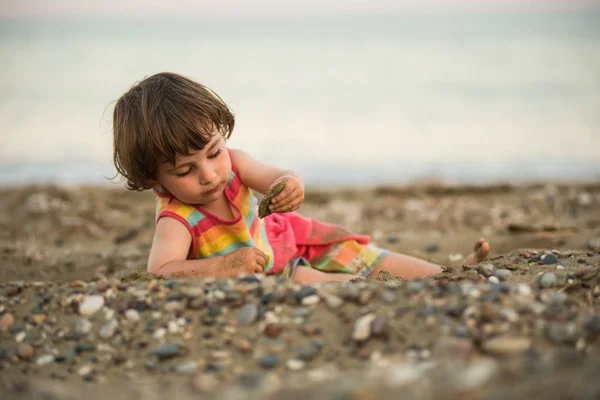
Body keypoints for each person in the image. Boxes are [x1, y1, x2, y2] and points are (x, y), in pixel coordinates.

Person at [111, 72, 490, 283]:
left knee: (364, 254)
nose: (209, 174)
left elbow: (278, 176)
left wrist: (291, 184)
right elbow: (159, 273)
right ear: (154, 179)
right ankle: (376, 291)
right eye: (184, 170)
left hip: (293, 240)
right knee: (306, 281)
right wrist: (223, 267)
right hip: (275, 273)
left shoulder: (237, 164)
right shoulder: (177, 218)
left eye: (214, 152)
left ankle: (445, 275)